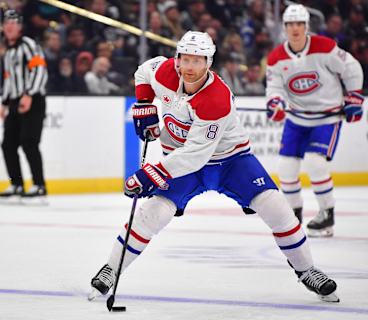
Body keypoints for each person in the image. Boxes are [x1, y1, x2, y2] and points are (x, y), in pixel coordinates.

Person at [88, 31, 339, 303]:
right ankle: (111, 269)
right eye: (186, 59)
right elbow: (142, 72)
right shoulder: (163, 72)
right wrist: (145, 103)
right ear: (177, 59)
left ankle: (306, 269)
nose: (191, 68)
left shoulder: (217, 98)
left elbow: (196, 155)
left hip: (231, 161)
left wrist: (152, 173)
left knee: (277, 207)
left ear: (209, 63)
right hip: (183, 161)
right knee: (152, 214)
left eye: (198, 61)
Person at [265, 4, 364, 237]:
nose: (295, 29)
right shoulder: (276, 58)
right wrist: (275, 103)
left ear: (307, 26)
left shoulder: (325, 47)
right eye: (290, 24)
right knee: (285, 168)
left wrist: (354, 97)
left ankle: (326, 214)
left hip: (326, 118)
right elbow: (275, 87)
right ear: (284, 27)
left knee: (315, 163)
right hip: (297, 119)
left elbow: (352, 68)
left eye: (299, 24)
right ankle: (293, 216)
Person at [0, 10, 48, 199]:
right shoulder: (8, 51)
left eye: (14, 23)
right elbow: (8, 79)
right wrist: (4, 102)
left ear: (20, 27)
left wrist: (29, 94)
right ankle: (17, 184)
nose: (10, 27)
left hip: (33, 100)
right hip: (14, 101)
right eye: (7, 23)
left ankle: (39, 184)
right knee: (8, 145)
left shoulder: (28, 45)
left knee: (29, 142)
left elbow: (39, 70)